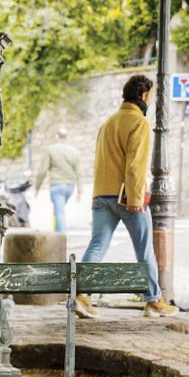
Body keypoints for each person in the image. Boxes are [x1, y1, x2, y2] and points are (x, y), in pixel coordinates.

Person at [75, 75, 178, 319]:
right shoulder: (138, 123)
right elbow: (135, 166)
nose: (150, 101)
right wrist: (135, 199)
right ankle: (153, 301)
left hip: (101, 194)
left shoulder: (108, 122)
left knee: (97, 244)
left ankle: (80, 294)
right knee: (144, 250)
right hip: (127, 196)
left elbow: (101, 160)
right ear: (142, 96)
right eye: (149, 96)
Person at [34, 127, 83, 233]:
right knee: (58, 211)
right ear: (66, 137)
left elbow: (43, 171)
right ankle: (57, 233)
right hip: (70, 186)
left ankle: (61, 238)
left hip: (57, 185)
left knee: (59, 212)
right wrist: (80, 191)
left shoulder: (51, 150)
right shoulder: (75, 152)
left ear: (57, 136)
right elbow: (79, 173)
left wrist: (37, 188)